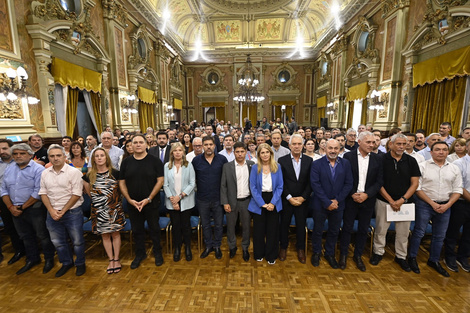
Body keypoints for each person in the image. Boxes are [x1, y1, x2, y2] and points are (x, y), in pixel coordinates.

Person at [408, 141, 462, 277]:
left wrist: (447, 205)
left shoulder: (454, 168)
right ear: (431, 152)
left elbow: (458, 189)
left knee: (439, 235)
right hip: (425, 204)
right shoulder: (422, 166)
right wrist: (432, 203)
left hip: (445, 205)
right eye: (437, 149)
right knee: (419, 232)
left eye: (444, 149)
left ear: (448, 152)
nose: (441, 152)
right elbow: (417, 188)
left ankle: (434, 260)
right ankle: (412, 258)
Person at [0, 143, 55, 275]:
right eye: (15, 154)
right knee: (25, 236)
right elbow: (3, 189)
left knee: (42, 235)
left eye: (22, 153)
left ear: (30, 155)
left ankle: (49, 259)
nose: (18, 156)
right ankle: (32, 258)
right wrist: (11, 207)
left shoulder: (38, 169)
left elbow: (38, 191)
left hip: (34, 208)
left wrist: (22, 207)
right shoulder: (9, 169)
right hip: (14, 208)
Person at [370, 134, 421, 272]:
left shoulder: (411, 161)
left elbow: (415, 183)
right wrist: (391, 201)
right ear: (391, 144)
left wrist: (402, 200)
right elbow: (378, 183)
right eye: (398, 144)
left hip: (405, 203)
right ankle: (378, 252)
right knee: (381, 230)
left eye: (404, 144)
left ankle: (401, 256)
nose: (401, 147)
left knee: (403, 232)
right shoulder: (380, 159)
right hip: (384, 201)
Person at [39, 144, 86, 277]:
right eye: (52, 156)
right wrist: (51, 211)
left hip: (72, 212)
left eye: (58, 155)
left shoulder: (74, 172)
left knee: (77, 241)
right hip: (52, 212)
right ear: (49, 158)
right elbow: (43, 193)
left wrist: (63, 210)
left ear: (65, 157)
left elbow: (76, 194)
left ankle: (80, 263)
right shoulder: (45, 173)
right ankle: (66, 263)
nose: (55, 158)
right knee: (58, 242)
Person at [119, 134, 164, 269]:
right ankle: (140, 254)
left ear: (146, 145)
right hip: (133, 203)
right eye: (135, 142)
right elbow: (121, 182)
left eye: (141, 142)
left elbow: (160, 180)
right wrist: (129, 200)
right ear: (131, 146)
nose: (138, 145)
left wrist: (149, 198)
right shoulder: (126, 162)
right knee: (137, 230)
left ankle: (158, 253)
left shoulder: (155, 161)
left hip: (151, 202)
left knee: (154, 229)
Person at [340, 132, 383, 271]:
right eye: (368, 142)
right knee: (347, 228)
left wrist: (366, 194)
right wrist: (353, 193)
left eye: (373, 142)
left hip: (368, 200)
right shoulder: (348, 156)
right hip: (351, 198)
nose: (372, 145)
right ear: (359, 141)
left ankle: (358, 255)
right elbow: (345, 178)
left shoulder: (378, 159)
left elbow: (379, 182)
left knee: (363, 229)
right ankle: (343, 255)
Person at [310, 139, 353, 269]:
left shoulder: (345, 164)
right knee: (317, 230)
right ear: (325, 148)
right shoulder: (316, 164)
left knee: (334, 231)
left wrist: (336, 200)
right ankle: (316, 252)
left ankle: (330, 254)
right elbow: (315, 185)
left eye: (336, 148)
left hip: (338, 205)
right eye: (330, 148)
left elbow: (348, 183)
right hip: (320, 204)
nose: (333, 151)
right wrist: (327, 202)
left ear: (340, 149)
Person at [83, 148, 125, 274]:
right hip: (99, 210)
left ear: (106, 157)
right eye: (97, 156)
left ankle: (117, 259)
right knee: (105, 235)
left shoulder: (116, 173)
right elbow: (89, 193)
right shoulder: (88, 176)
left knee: (115, 234)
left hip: (114, 209)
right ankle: (110, 259)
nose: (100, 158)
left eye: (102, 155)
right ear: (93, 159)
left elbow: (121, 191)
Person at [278, 134, 312, 263]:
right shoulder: (282, 160)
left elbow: (310, 182)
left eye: (299, 144)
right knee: (284, 224)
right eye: (294, 144)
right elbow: (281, 182)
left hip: (303, 200)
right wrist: (289, 197)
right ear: (290, 145)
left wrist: (303, 197)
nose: (297, 146)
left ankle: (300, 249)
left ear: (303, 146)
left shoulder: (309, 161)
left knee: (300, 225)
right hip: (287, 200)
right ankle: (283, 247)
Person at [192, 136, 228, 259]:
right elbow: (193, 179)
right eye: (206, 144)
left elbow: (226, 179)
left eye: (210, 144)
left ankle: (217, 246)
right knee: (205, 224)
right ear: (202, 146)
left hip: (218, 198)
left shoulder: (222, 159)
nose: (208, 147)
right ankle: (208, 246)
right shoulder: (196, 160)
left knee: (219, 224)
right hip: (202, 198)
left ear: (214, 146)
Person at [248, 144, 283, 264]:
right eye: (262, 153)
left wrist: (272, 202)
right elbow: (252, 187)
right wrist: (262, 204)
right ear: (259, 155)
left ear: (271, 153)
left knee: (272, 230)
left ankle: (271, 255)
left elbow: (280, 187)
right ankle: (259, 253)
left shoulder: (277, 167)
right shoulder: (254, 168)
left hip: (274, 199)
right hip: (259, 200)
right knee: (258, 230)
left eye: (267, 152)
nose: (265, 155)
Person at [221, 142, 254, 262]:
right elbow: (223, 186)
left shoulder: (251, 165)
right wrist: (225, 202)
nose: (240, 154)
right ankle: (232, 247)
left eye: (242, 151)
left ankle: (245, 248)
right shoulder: (227, 166)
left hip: (246, 201)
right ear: (234, 152)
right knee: (231, 227)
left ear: (246, 152)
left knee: (246, 227)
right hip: (231, 201)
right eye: (237, 152)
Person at [163, 143, 196, 262]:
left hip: (186, 200)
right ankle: (177, 248)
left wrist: (180, 196)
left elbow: (192, 183)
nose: (177, 152)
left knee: (186, 227)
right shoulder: (167, 166)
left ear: (183, 152)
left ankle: (187, 248)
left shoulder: (189, 165)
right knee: (176, 227)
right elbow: (165, 184)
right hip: (172, 202)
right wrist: (172, 199)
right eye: (175, 150)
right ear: (172, 153)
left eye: (180, 150)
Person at [445, 139, 470, 272]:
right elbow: (459, 185)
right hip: (460, 203)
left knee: (468, 234)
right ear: (467, 147)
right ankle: (449, 256)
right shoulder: (458, 163)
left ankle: (463, 257)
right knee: (453, 232)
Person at [0, 139, 25, 265]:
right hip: (4, 199)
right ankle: (19, 250)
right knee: (10, 226)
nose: (2, 152)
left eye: (4, 148)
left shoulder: (20, 162)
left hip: (22, 199)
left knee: (25, 227)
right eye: (0, 149)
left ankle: (31, 251)